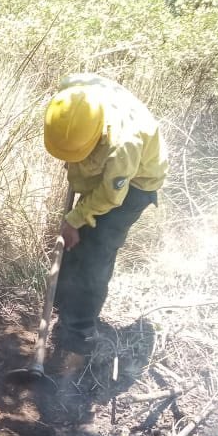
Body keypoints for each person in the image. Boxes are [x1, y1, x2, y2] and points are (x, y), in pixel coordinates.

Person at [43, 73, 167, 352]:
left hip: (135, 182)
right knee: (77, 240)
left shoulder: (124, 145)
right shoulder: (74, 95)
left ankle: (79, 331)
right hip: (106, 168)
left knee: (97, 249)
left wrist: (74, 219)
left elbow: (112, 195)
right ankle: (62, 300)